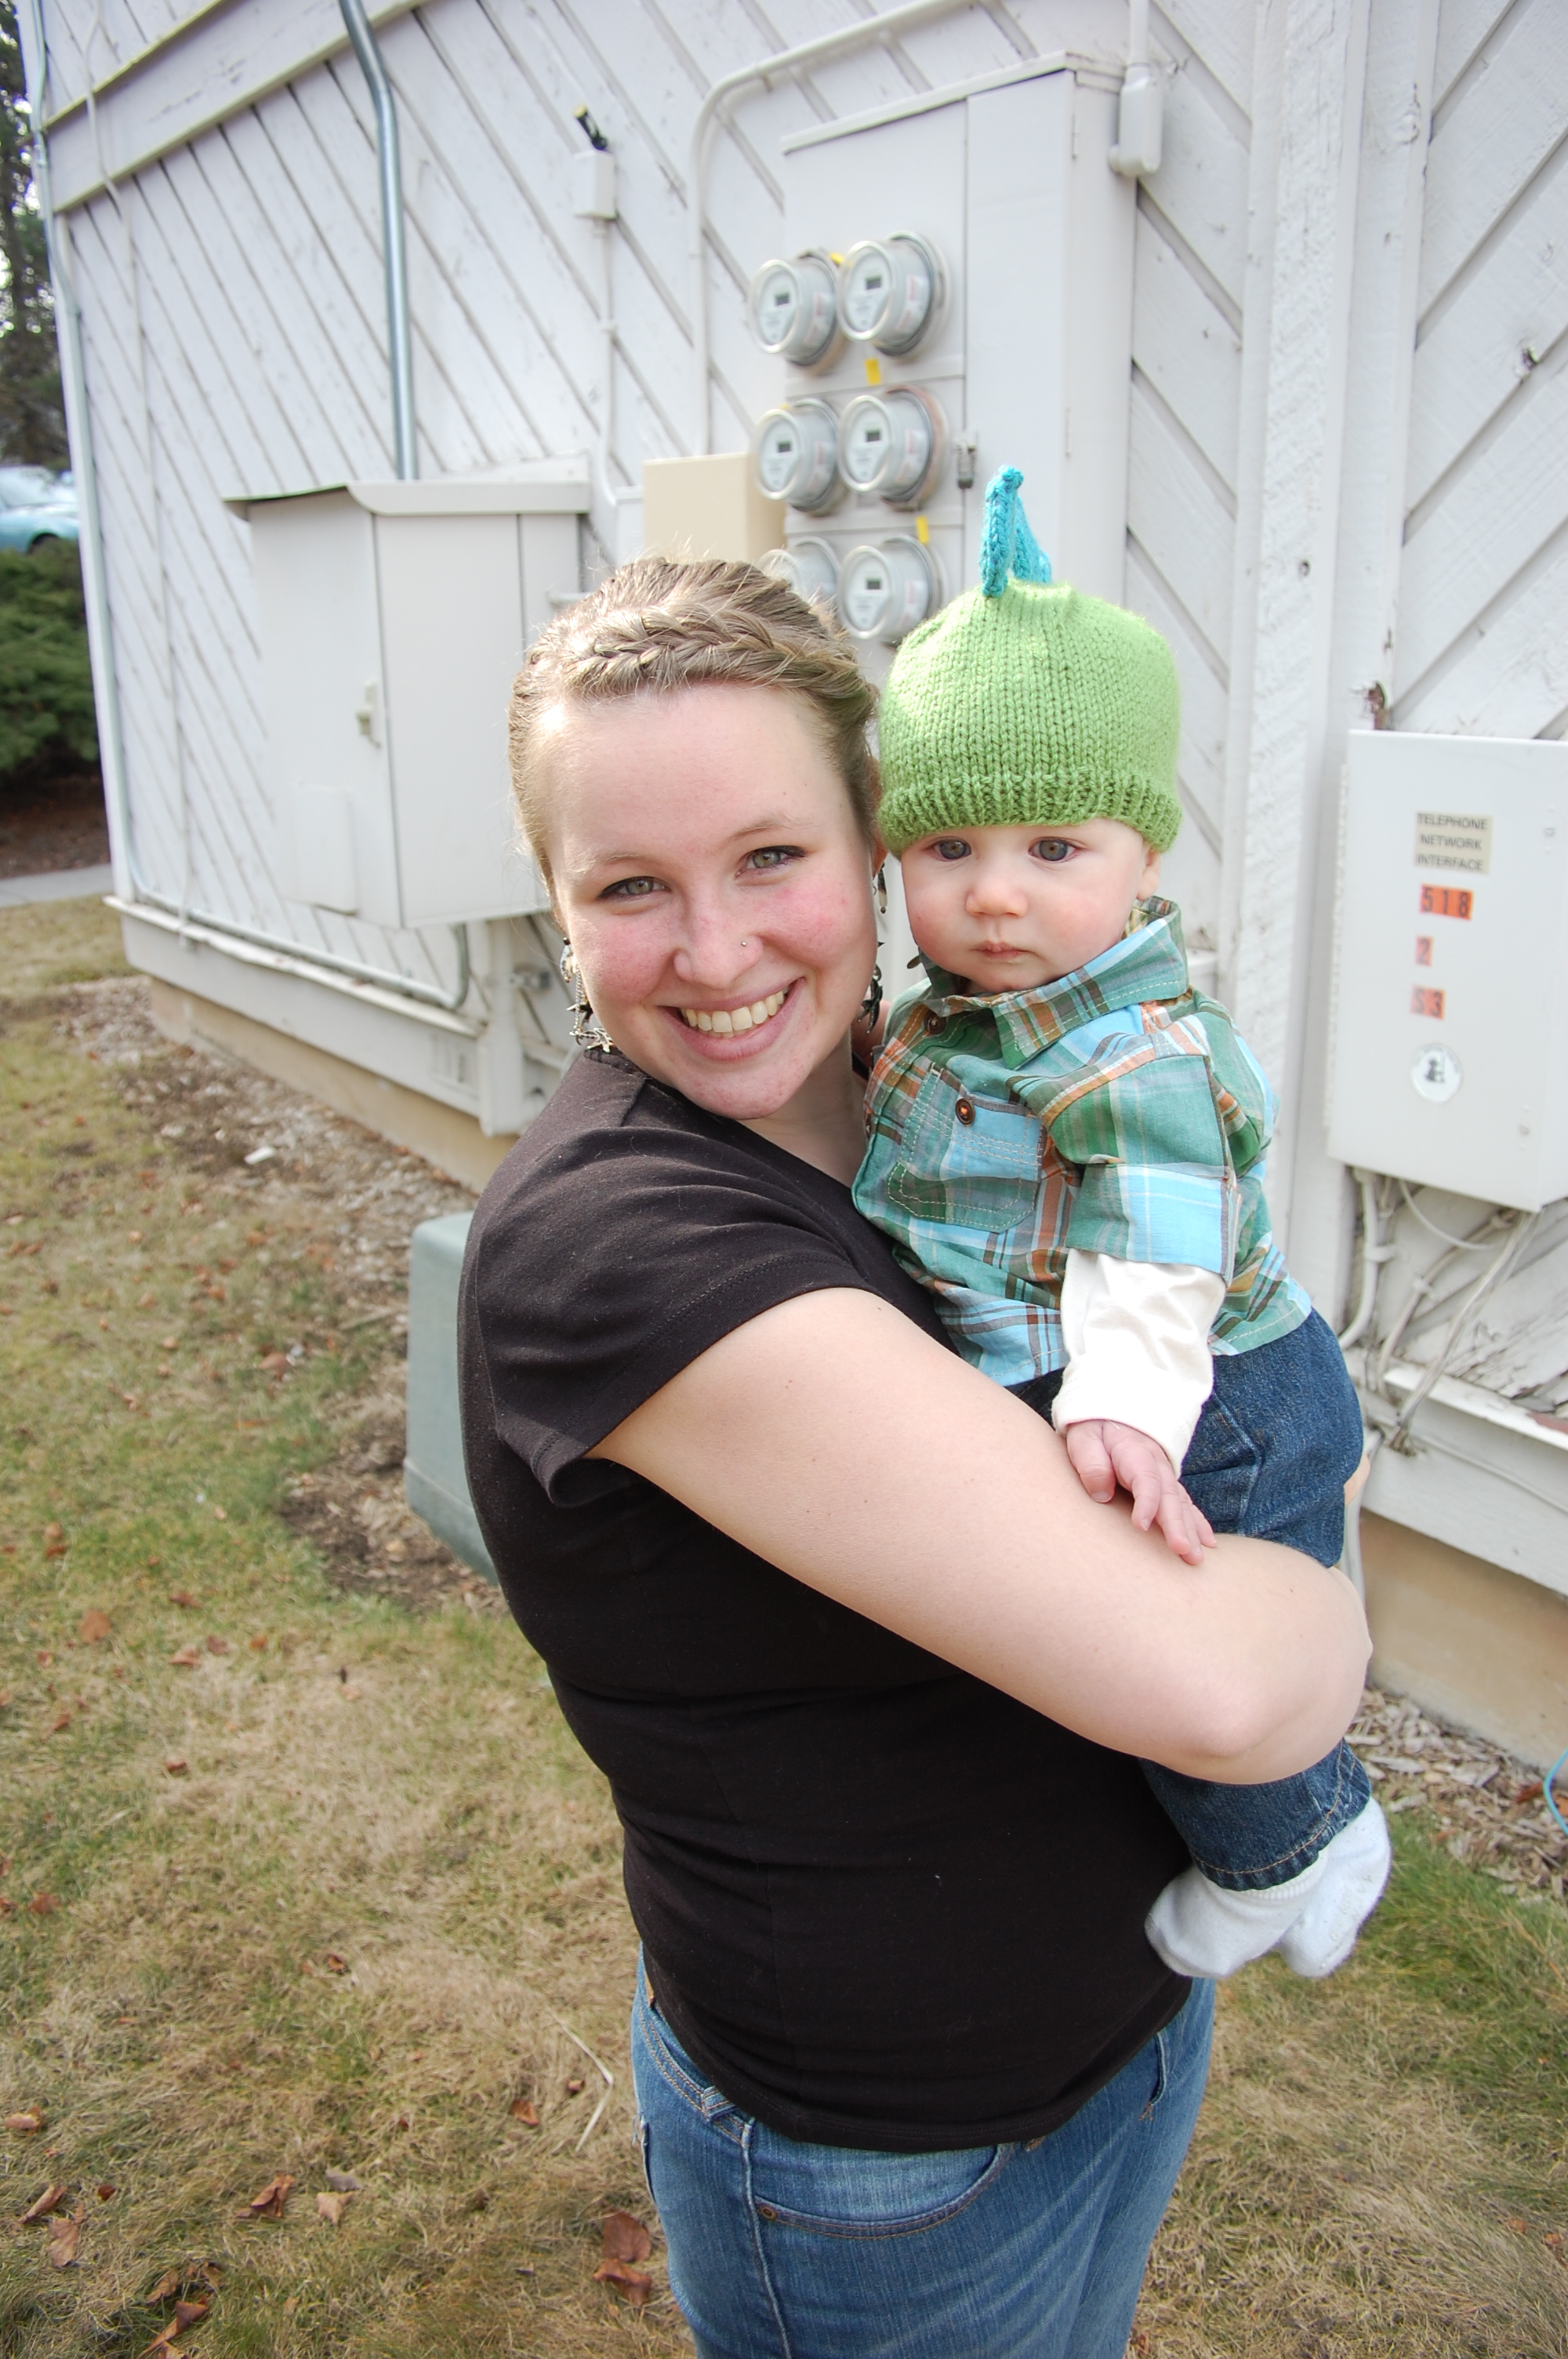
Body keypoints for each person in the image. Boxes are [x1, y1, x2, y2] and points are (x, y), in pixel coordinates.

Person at [458, 553, 1370, 2359]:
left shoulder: (946, 1101)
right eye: (630, 886)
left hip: (1127, 2024)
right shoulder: (614, 1243)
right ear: (554, 907)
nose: (716, 953)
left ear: (875, 843)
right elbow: (1217, 1681)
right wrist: (1329, 1613)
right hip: (886, 2153)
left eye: (769, 858)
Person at [855, 469, 1389, 1985]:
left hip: (1209, 1398)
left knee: (1187, 1652)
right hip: (1122, 1381)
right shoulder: (971, 1013)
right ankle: (1307, 1821)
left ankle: (1293, 1846)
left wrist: (1127, 1412)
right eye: (949, 852)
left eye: (1053, 851)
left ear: (1145, 856)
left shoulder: (1130, 1049)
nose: (994, 896)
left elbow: (1159, 1249)